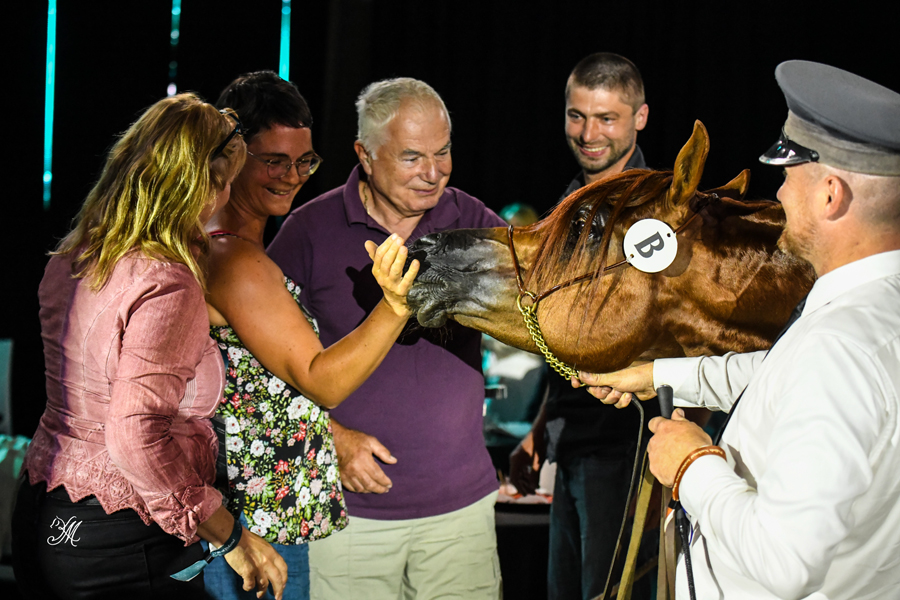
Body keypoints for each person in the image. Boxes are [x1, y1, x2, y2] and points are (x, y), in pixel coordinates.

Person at [578, 60, 900, 599]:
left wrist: (690, 466)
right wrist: (655, 374)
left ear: (830, 195)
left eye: (788, 178)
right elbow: (783, 378)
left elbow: (786, 561)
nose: (778, 196)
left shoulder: (837, 347)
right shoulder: (873, 311)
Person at [11, 93, 288, 599]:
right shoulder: (167, 283)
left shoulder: (73, 255)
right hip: (113, 536)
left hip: (44, 513)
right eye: (224, 185)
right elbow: (135, 434)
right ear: (201, 186)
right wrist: (232, 535)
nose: (224, 200)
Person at [267, 77, 506, 599]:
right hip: (354, 517)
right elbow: (254, 374)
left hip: (461, 512)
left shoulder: (473, 222)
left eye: (443, 153)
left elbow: (538, 309)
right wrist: (329, 436)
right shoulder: (307, 232)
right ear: (365, 155)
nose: (433, 172)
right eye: (412, 157)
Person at [201, 71, 419, 600]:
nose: (291, 175)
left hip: (265, 528)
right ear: (230, 156)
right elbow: (322, 382)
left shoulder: (239, 249)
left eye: (304, 160)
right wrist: (394, 305)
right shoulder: (232, 257)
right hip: (250, 535)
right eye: (273, 160)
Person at [508, 52, 655, 600]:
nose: (589, 133)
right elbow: (566, 332)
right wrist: (540, 426)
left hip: (627, 445)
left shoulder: (659, 207)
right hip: (570, 440)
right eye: (577, 116)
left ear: (640, 118)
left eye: (606, 118)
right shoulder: (570, 199)